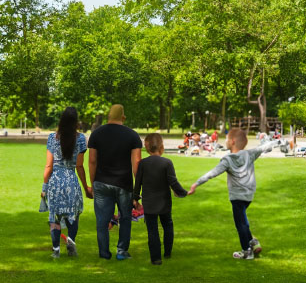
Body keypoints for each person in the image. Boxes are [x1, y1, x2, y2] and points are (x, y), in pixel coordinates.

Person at [188, 127, 277, 260]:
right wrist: (278, 142)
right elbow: (266, 147)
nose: (226, 141)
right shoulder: (250, 154)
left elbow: (212, 173)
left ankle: (247, 252)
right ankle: (253, 242)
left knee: (240, 224)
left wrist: (196, 183)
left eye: (227, 139)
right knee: (243, 220)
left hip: (237, 197)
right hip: (249, 196)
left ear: (233, 141)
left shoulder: (227, 160)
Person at [87, 104, 142, 260]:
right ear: (123, 117)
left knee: (102, 221)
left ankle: (104, 253)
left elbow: (92, 161)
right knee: (125, 218)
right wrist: (137, 192)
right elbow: (136, 165)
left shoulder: (96, 134)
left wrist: (93, 183)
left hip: (101, 182)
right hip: (123, 183)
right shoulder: (132, 136)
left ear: (108, 117)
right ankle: (122, 251)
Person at [41, 107, 91, 258]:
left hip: (55, 181)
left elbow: (49, 165)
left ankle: (56, 250)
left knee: (55, 216)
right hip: (71, 180)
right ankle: (71, 241)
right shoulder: (81, 139)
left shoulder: (52, 138)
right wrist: (86, 187)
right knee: (73, 214)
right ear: (76, 122)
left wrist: (44, 186)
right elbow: (79, 166)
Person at [133, 133, 188, 265]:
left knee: (152, 230)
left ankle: (156, 258)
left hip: (149, 202)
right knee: (168, 225)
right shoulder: (167, 163)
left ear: (147, 147)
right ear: (161, 146)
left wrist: (135, 199)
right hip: (164, 201)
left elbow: (138, 183)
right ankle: (167, 252)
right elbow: (173, 182)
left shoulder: (143, 164)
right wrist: (183, 192)